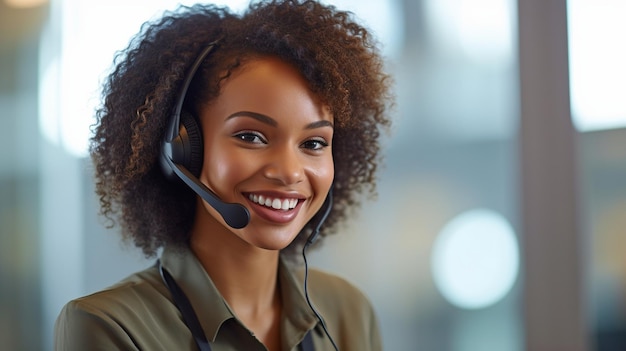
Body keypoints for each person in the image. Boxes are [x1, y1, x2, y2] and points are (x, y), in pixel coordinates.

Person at [54, 0, 392, 350]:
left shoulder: (347, 312)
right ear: (182, 148)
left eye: (314, 143)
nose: (290, 172)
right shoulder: (110, 327)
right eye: (251, 137)